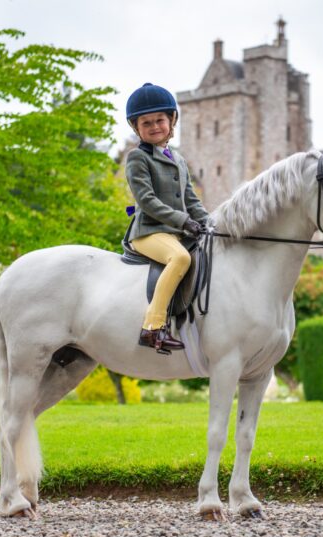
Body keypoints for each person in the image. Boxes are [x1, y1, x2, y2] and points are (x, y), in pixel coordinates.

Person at [124, 83, 210, 354]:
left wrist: (211, 223)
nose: (154, 126)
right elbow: (147, 202)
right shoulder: (137, 158)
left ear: (171, 120)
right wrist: (183, 221)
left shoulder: (179, 159)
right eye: (146, 122)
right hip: (149, 232)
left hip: (176, 233)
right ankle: (152, 328)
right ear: (136, 127)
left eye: (159, 120)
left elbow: (191, 199)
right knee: (181, 258)